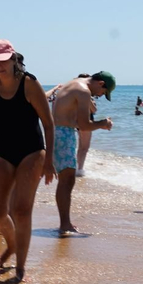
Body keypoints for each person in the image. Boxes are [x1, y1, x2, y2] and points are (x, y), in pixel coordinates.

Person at [0, 41, 55, 280]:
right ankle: (12, 245)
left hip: (31, 151)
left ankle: (21, 266)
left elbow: (48, 123)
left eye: (3, 60)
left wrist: (50, 159)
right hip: (1, 152)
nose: (0, 65)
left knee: (22, 210)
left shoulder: (29, 84)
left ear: (13, 59)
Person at [47, 71, 115, 235]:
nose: (99, 96)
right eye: (103, 92)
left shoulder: (75, 82)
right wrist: (102, 123)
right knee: (67, 180)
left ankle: (65, 222)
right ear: (100, 84)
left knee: (65, 179)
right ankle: (65, 224)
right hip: (64, 134)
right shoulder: (83, 90)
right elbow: (84, 125)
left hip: (57, 131)